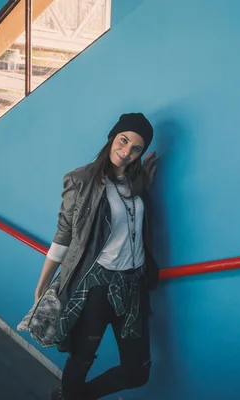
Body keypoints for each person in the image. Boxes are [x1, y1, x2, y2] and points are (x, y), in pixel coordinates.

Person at [33, 113, 161, 400]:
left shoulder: (137, 184)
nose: (126, 151)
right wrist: (44, 283)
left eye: (136, 148)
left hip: (133, 285)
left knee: (137, 372)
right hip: (96, 287)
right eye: (123, 140)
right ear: (113, 137)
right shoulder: (80, 180)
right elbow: (64, 234)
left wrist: (145, 188)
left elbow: (131, 220)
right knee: (82, 360)